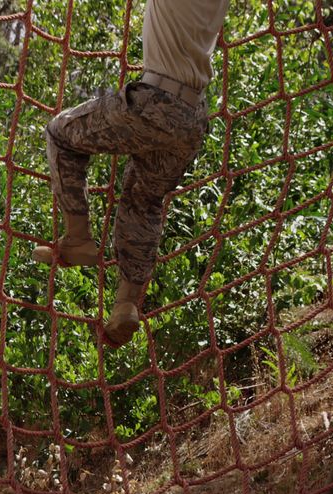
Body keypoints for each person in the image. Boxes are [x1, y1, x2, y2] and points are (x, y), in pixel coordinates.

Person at [33, 0, 229, 347]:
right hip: (193, 117)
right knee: (144, 200)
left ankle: (78, 238)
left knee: (61, 134)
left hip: (157, 102)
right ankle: (126, 304)